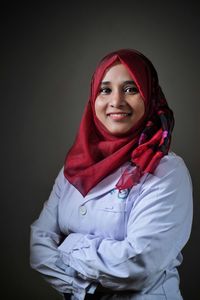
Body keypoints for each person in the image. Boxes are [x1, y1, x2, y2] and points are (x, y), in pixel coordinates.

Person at [30, 49, 193, 300]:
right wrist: (83, 286)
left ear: (149, 97)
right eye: (105, 90)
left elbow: (137, 265)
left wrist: (69, 244)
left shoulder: (166, 170)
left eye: (131, 89)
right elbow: (39, 246)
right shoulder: (74, 167)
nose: (116, 101)